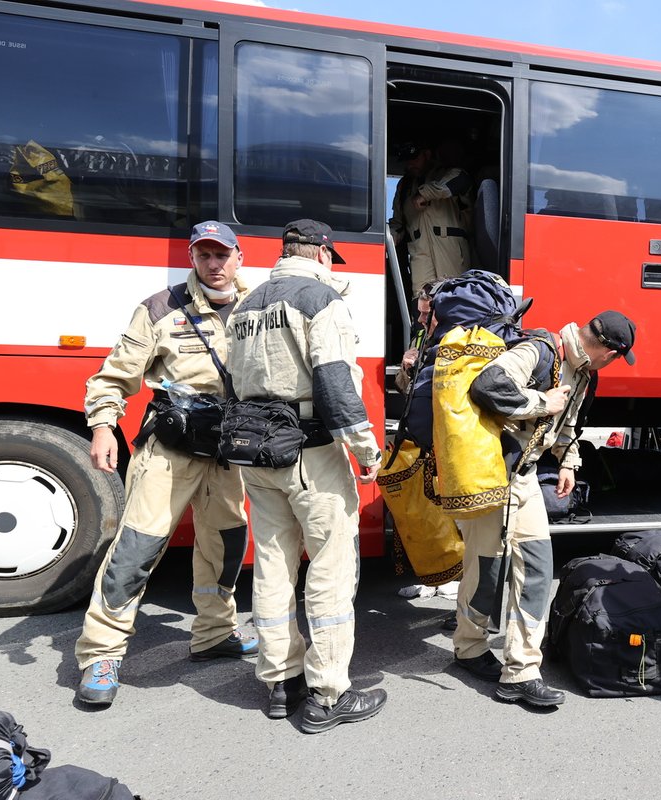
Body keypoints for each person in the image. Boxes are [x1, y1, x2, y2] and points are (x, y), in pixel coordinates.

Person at [76, 221, 256, 707]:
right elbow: (112, 378)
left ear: (239, 257)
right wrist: (101, 425)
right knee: (137, 549)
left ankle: (214, 633)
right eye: (204, 256)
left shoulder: (259, 307)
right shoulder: (159, 308)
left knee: (226, 544)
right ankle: (101, 653)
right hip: (169, 449)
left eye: (222, 255)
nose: (214, 265)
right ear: (193, 260)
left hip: (227, 451)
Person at [225, 219, 386, 734]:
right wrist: (366, 452)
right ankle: (328, 693)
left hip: (256, 453)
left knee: (272, 565)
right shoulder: (320, 299)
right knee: (330, 569)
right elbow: (335, 383)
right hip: (308, 453)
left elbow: (232, 385)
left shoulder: (245, 306)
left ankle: (280, 682)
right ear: (321, 253)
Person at [452, 310, 637, 707]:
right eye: (617, 356)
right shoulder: (539, 351)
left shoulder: (585, 371)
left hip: (526, 476)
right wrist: (542, 402)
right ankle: (468, 647)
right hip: (493, 475)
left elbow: (569, 423)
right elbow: (487, 386)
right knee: (486, 570)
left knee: (537, 568)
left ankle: (519, 672)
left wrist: (568, 461)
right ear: (606, 349)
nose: (613, 363)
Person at [390, 141, 473, 289]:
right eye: (407, 160)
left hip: (451, 254)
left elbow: (460, 180)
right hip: (420, 257)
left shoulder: (448, 174)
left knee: (454, 299)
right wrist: (390, 238)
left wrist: (425, 193)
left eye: (414, 158)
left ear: (427, 155)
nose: (410, 164)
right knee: (421, 303)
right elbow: (398, 223)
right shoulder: (404, 186)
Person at [394, 282, 437, 394]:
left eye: (426, 313)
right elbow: (403, 389)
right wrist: (407, 369)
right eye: (419, 312)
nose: (419, 319)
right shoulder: (419, 340)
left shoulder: (463, 340)